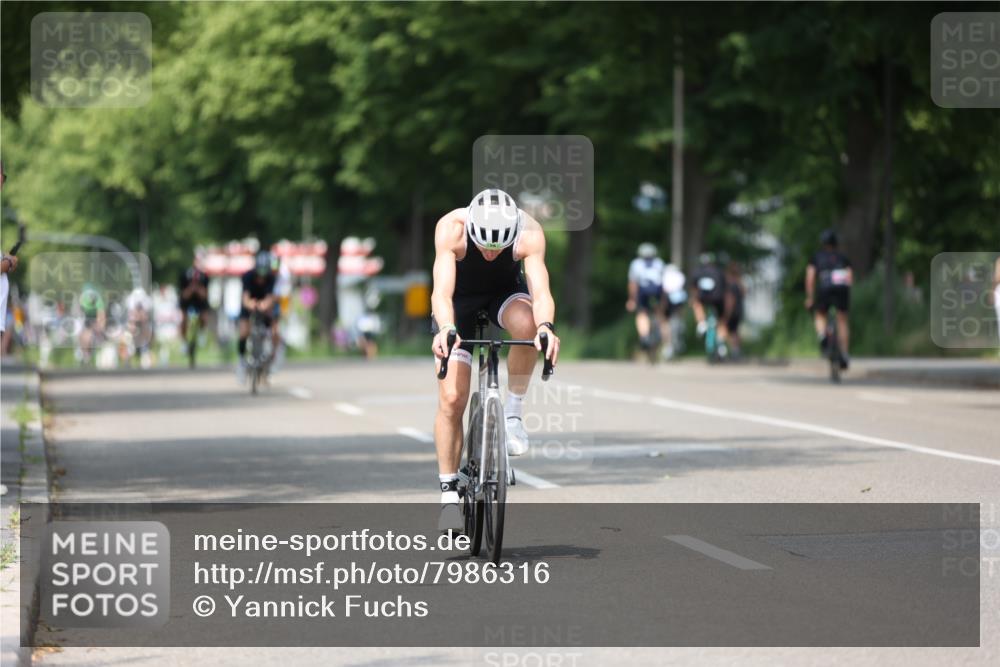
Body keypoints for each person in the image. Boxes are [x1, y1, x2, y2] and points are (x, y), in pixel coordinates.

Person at [430, 188, 560, 531]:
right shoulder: (452, 228)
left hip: (503, 294)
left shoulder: (528, 231)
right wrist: (446, 328)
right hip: (458, 302)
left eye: (498, 248)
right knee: (453, 398)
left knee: (530, 325)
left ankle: (513, 414)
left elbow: (541, 291)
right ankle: (448, 496)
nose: (490, 254)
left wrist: (546, 327)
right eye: (484, 246)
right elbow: (441, 292)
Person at [805, 229, 852, 369]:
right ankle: (844, 353)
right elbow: (850, 277)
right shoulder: (843, 257)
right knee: (842, 319)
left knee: (820, 314)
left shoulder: (817, 257)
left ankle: (823, 337)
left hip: (825, 286)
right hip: (842, 286)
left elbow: (810, 278)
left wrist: (809, 298)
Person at [237, 251, 279, 381]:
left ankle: (271, 359)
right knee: (244, 331)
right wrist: (251, 304)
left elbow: (271, 297)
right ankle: (242, 361)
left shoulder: (272, 278)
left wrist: (264, 305)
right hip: (250, 305)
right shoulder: (248, 276)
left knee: (275, 332)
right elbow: (245, 297)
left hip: (265, 306)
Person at [626, 243, 666, 355]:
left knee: (641, 314)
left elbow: (633, 284)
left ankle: (644, 336)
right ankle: (659, 333)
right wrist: (663, 299)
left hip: (643, 292)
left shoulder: (636, 264)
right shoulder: (659, 263)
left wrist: (632, 299)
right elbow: (664, 283)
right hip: (657, 292)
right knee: (659, 313)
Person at [689, 252, 728, 357]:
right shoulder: (719, 272)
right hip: (718, 299)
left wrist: (693, 299)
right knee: (722, 321)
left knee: (696, 303)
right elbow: (725, 289)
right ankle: (721, 344)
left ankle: (701, 322)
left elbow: (694, 289)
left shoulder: (697, 272)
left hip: (703, 299)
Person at [178, 264, 210, 349]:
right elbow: (183, 296)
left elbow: (205, 295)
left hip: (200, 302)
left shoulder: (204, 277)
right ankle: (184, 342)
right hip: (187, 301)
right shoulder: (184, 277)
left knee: (204, 316)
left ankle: (201, 332)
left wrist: (198, 289)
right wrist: (191, 289)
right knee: (183, 320)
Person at [661, 262, 687, 359]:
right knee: (678, 316)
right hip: (678, 301)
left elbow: (664, 290)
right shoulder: (680, 276)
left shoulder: (664, 276)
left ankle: (668, 345)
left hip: (668, 301)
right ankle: (680, 328)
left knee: (665, 321)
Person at [723, 260, 746, 359]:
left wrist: (727, 312)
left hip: (732, 310)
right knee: (735, 331)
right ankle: (736, 350)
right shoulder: (739, 283)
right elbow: (744, 294)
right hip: (739, 310)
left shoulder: (730, 284)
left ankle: (733, 350)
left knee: (729, 331)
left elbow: (730, 299)